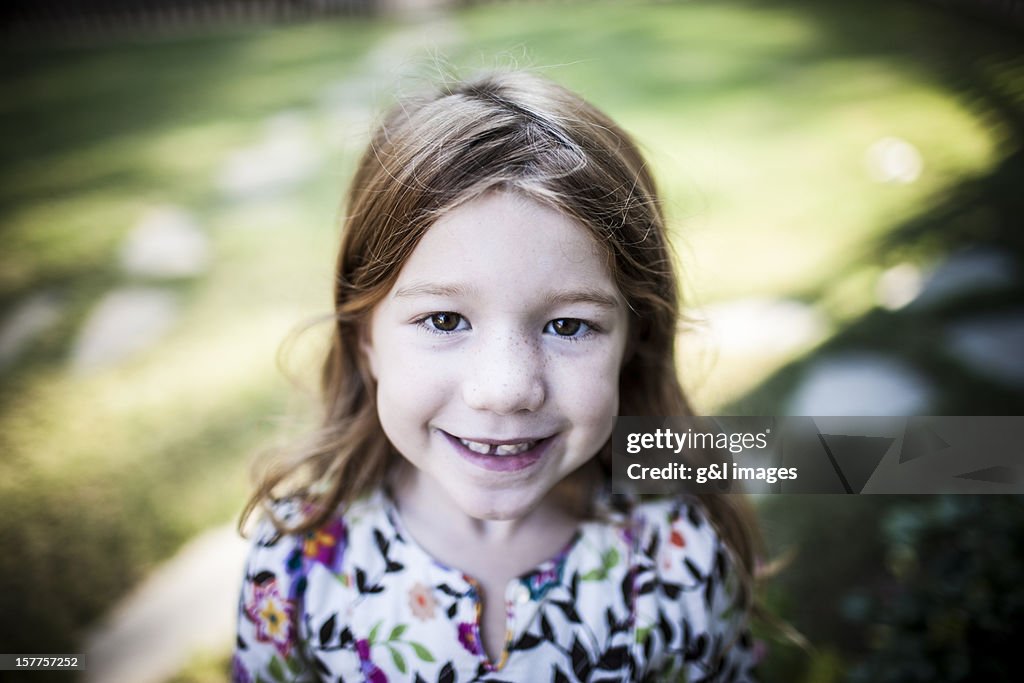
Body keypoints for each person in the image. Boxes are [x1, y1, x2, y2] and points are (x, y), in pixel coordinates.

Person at [233, 71, 760, 683]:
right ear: (365, 338)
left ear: (632, 341)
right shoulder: (298, 566)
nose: (507, 388)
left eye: (567, 326)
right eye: (444, 319)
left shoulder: (677, 560)